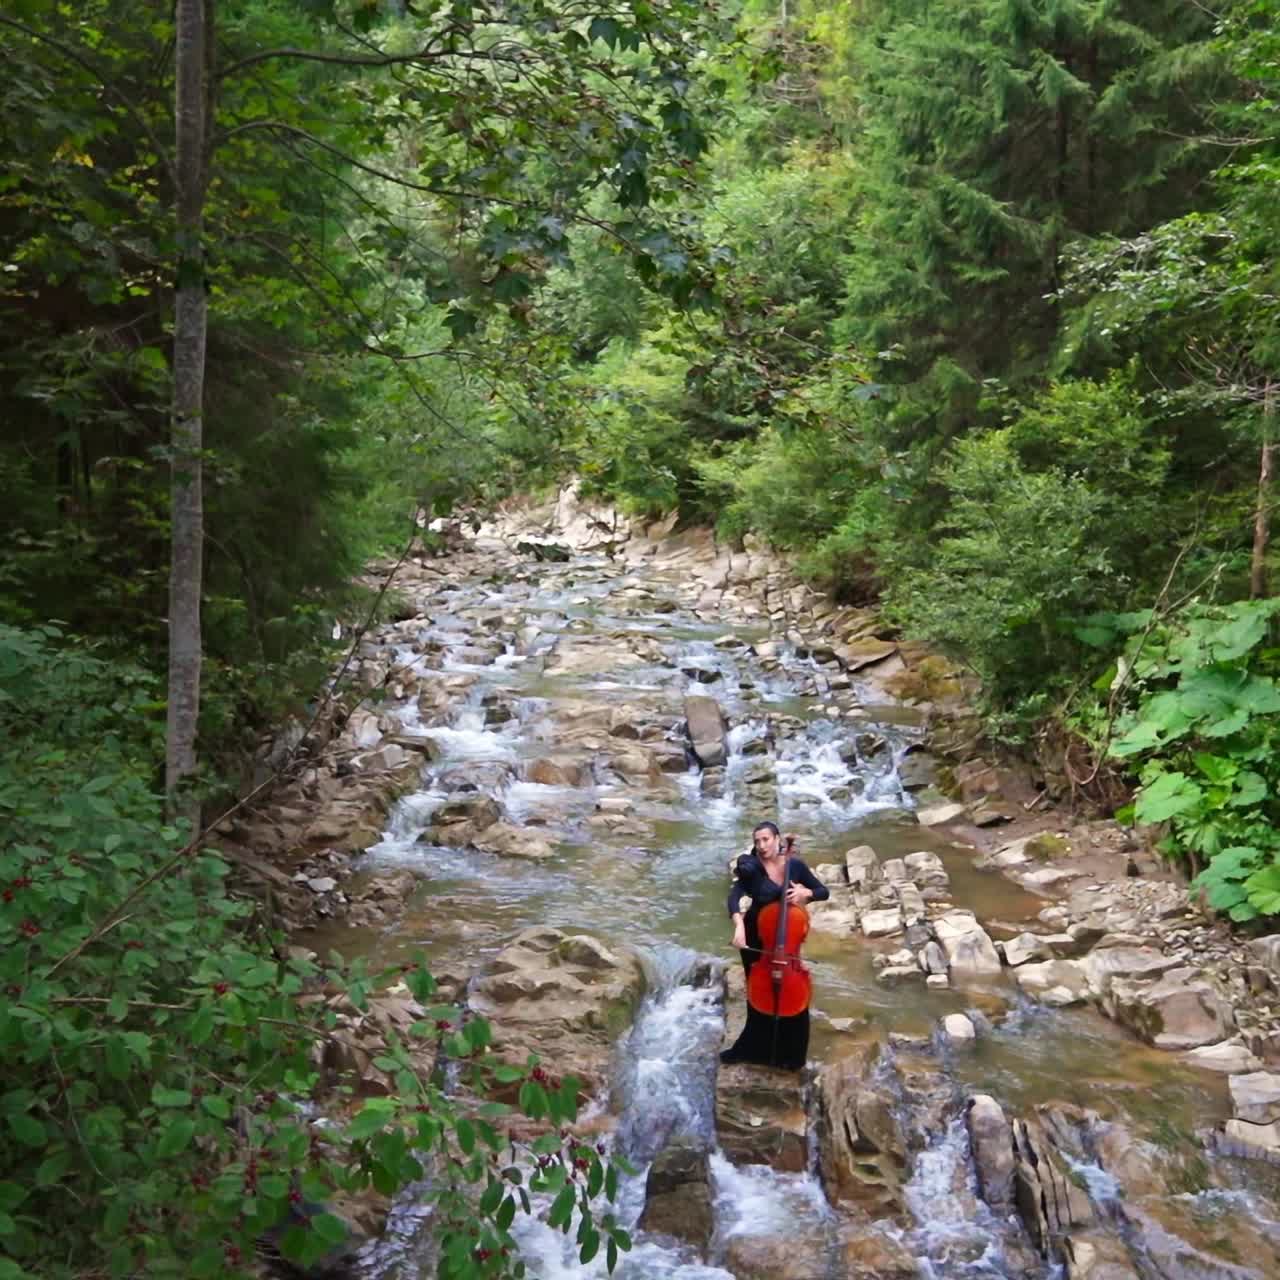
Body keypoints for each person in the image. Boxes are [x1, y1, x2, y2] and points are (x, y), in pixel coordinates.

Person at [719, 821, 828, 1070]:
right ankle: (751, 1049)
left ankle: (790, 1054)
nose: (761, 845)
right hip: (757, 936)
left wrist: (806, 894)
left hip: (786, 938)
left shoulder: (795, 866)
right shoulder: (752, 867)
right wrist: (738, 925)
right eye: (757, 841)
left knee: (794, 996)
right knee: (758, 996)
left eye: (766, 839)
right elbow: (734, 896)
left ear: (778, 840)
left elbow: (824, 891)